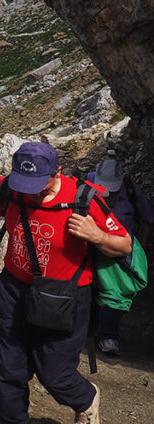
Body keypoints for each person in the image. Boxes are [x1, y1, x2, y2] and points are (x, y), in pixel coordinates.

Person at [0, 142, 131, 424]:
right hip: (15, 289)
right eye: (24, 182)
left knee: (54, 371)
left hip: (65, 297)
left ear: (57, 172)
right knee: (8, 365)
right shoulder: (8, 187)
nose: (30, 190)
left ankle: (86, 400)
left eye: (38, 184)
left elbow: (125, 245)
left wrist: (98, 236)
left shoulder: (83, 198)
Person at [86, 149, 154, 356]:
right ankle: (88, 331)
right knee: (91, 287)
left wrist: (135, 248)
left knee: (116, 292)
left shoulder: (130, 189)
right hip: (90, 247)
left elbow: (147, 220)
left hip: (119, 249)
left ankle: (108, 336)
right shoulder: (86, 184)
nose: (109, 193)